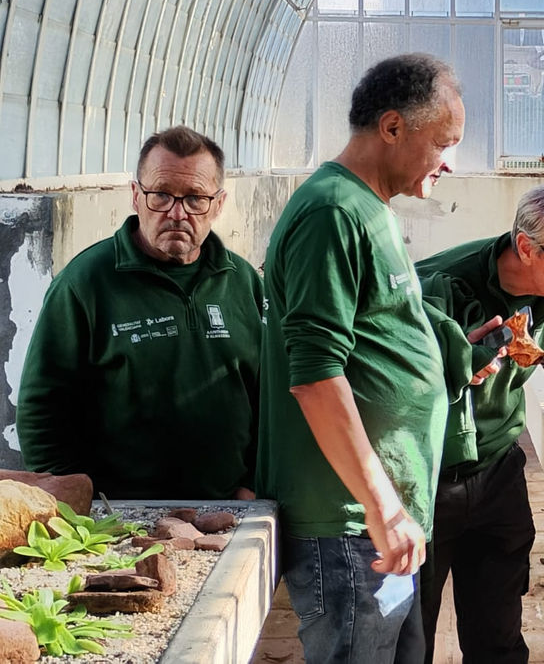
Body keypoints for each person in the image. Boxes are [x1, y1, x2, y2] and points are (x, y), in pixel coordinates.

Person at [256, 53, 467, 664]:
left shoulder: (370, 207)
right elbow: (316, 376)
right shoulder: (332, 212)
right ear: (393, 127)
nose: (448, 162)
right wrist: (383, 508)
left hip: (377, 521)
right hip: (349, 525)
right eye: (442, 143)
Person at [416, 182, 544, 664]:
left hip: (498, 472)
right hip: (426, 481)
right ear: (526, 248)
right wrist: (444, 365)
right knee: (410, 638)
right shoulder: (435, 285)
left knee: (499, 638)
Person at [17, 126, 263, 500]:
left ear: (218, 204)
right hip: (119, 515)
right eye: (161, 194)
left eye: (195, 198)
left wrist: (253, 483)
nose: (177, 213)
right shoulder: (85, 283)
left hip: (229, 507)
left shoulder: (242, 281)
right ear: (135, 196)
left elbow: (268, 395)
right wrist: (73, 500)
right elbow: (42, 407)